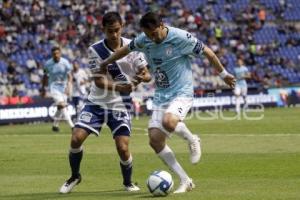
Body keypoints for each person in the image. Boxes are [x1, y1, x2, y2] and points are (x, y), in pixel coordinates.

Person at [100, 12, 236, 194]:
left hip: (182, 92)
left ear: (162, 25)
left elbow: (208, 53)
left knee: (169, 121)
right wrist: (108, 61)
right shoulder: (144, 39)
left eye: (155, 34)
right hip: (162, 95)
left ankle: (192, 139)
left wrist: (224, 75)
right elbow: (126, 49)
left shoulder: (181, 38)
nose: (152, 38)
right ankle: (185, 180)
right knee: (155, 140)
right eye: (148, 35)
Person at [59, 12, 151, 194]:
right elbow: (99, 81)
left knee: (123, 148)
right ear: (103, 30)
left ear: (122, 27)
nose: (114, 34)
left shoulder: (133, 48)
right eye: (110, 31)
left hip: (121, 104)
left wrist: (143, 77)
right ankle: (75, 176)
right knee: (76, 138)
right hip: (96, 103)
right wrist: (122, 87)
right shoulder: (95, 50)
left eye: (117, 30)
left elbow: (146, 73)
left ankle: (128, 182)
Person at [41, 46, 74, 132]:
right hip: (53, 87)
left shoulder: (65, 62)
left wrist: (68, 86)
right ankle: (72, 126)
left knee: (60, 107)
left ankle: (55, 125)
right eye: (54, 53)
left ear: (60, 53)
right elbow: (45, 76)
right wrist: (43, 89)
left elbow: (69, 75)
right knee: (63, 105)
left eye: (57, 53)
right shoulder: (48, 64)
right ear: (52, 54)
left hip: (64, 87)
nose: (56, 55)